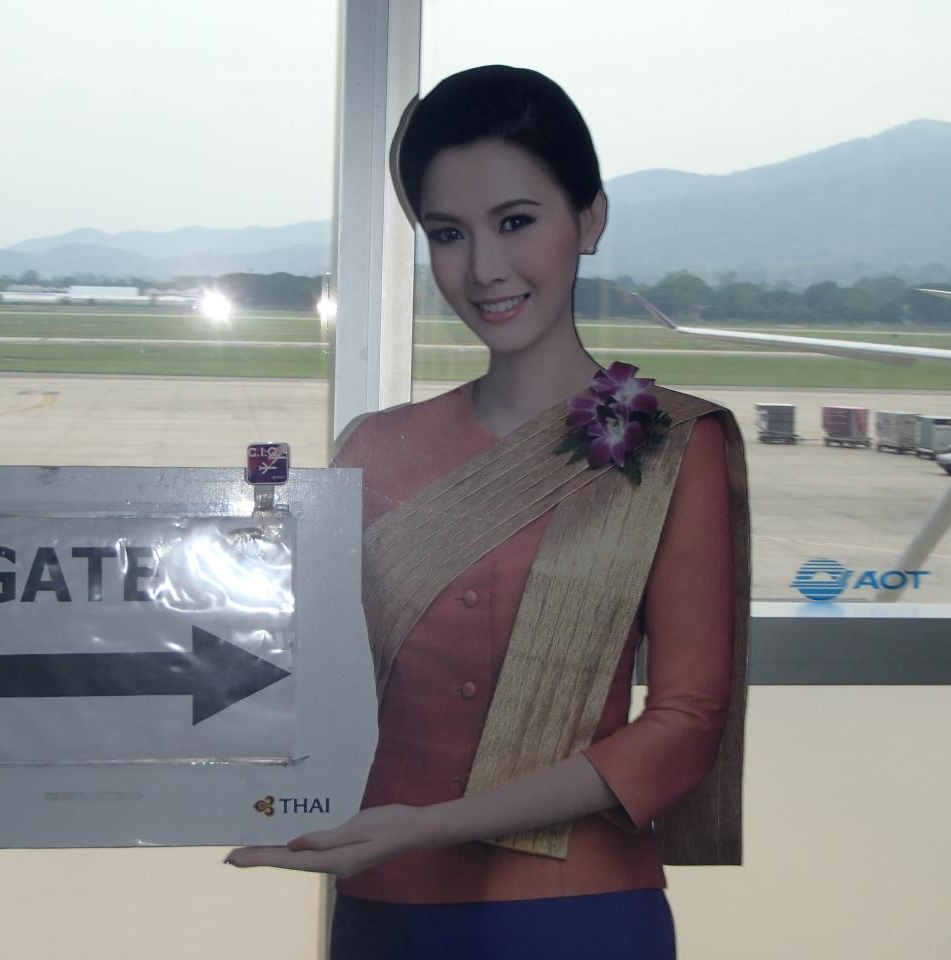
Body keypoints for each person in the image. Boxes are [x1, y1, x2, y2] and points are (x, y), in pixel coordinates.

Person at [225, 65, 750, 959]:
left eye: (516, 222)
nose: (483, 269)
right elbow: (291, 666)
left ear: (590, 219)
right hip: (387, 908)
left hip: (581, 915)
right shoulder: (375, 449)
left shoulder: (673, 444)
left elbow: (686, 725)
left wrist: (435, 825)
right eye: (448, 234)